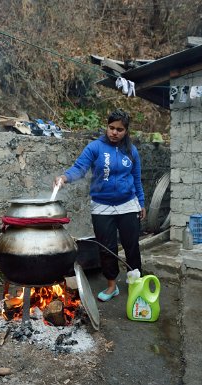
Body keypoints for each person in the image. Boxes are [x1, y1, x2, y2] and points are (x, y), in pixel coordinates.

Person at [54, 109, 146, 302]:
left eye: (119, 129)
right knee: (107, 247)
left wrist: (142, 203)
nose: (114, 132)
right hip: (101, 206)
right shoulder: (95, 147)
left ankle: (136, 283)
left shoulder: (131, 151)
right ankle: (112, 285)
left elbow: (137, 179)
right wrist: (65, 177)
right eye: (111, 128)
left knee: (131, 246)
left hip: (128, 204)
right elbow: (80, 168)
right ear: (106, 127)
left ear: (126, 131)